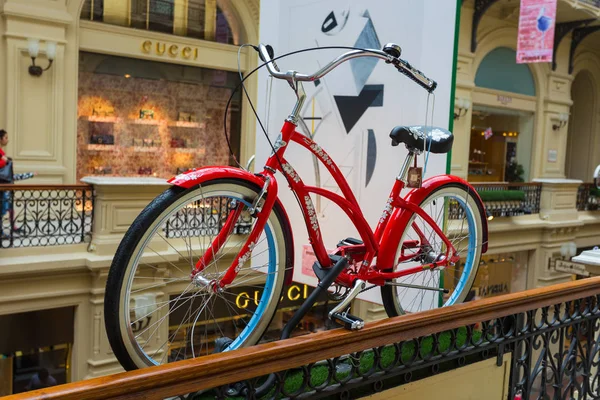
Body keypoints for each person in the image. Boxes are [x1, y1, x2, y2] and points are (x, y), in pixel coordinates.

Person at [0, 129, 36, 239]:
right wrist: (5, 161)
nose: (7, 140)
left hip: (6, 189)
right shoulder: (2, 156)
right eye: (6, 137)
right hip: (3, 189)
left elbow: (12, 176)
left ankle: (10, 228)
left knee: (8, 209)